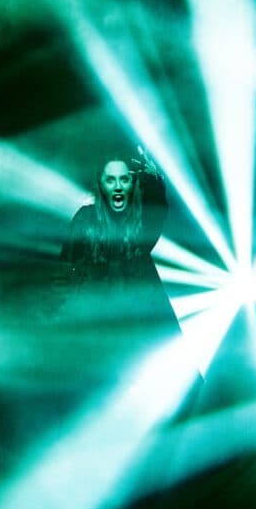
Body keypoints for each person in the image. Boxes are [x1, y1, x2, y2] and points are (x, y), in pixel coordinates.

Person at [56, 152, 182, 385]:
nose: (117, 186)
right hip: (93, 325)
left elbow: (160, 199)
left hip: (139, 323)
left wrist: (146, 169)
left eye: (124, 179)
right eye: (110, 179)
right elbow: (65, 271)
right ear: (101, 184)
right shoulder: (85, 219)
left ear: (133, 183)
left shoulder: (142, 221)